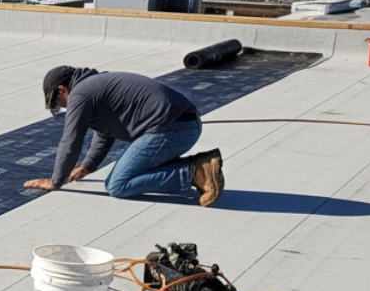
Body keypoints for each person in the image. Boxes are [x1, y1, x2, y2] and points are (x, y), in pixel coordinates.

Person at [24, 65, 224, 205]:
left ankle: (196, 171)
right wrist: (87, 166)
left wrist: (55, 180)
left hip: (170, 129)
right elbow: (104, 133)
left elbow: (70, 141)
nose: (64, 107)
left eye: (59, 103)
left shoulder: (80, 94)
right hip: (183, 125)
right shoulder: (94, 86)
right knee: (131, 173)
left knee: (117, 185)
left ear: (62, 89)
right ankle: (196, 170)